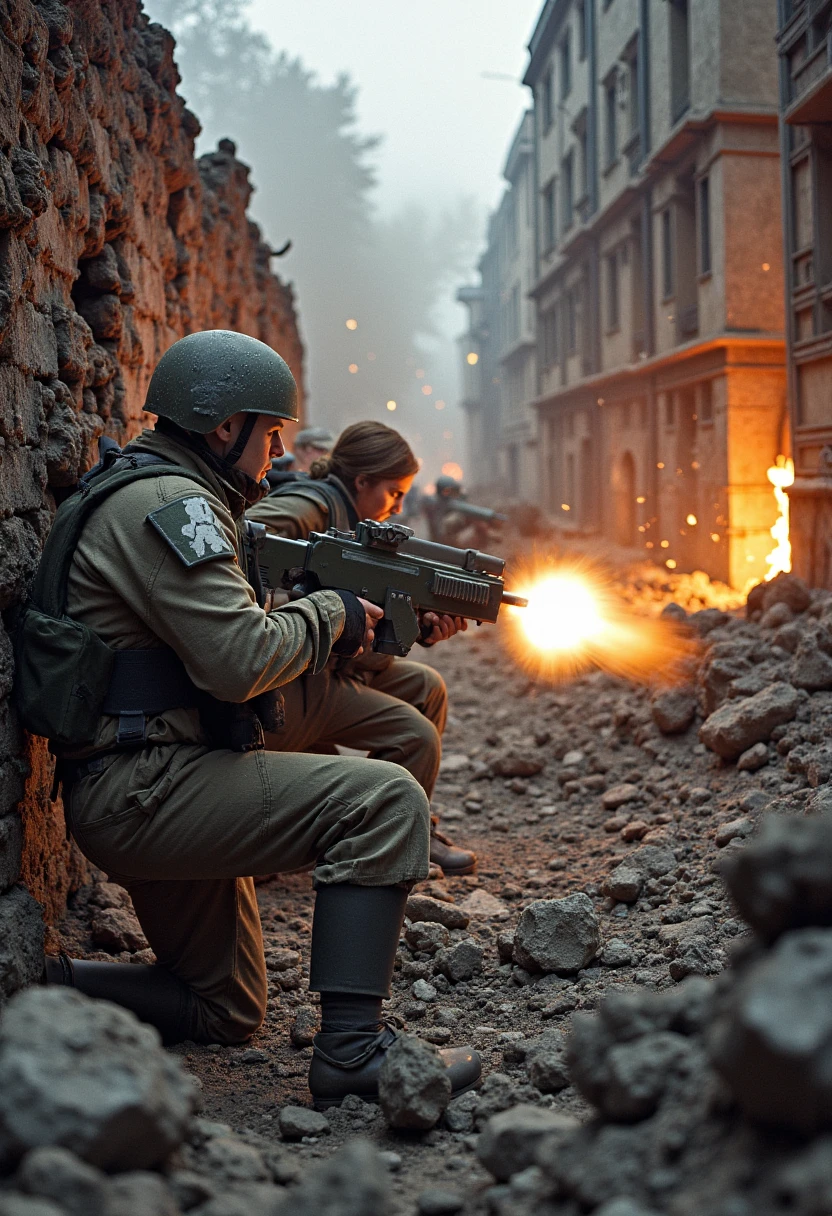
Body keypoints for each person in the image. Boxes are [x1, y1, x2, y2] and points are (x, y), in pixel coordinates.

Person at [26, 330, 479, 1106]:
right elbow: (237, 660)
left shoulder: (162, 492)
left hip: (146, 777)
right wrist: (333, 616)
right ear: (221, 425)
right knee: (386, 799)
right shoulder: (174, 505)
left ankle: (40, 988)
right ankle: (352, 1053)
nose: (274, 458)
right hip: (149, 787)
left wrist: (359, 626)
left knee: (224, 1007)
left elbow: (228, 641)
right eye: (268, 434)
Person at [247, 422, 478, 877]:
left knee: (426, 688)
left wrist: (422, 627)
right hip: (282, 678)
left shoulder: (356, 523)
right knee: (414, 737)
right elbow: (244, 543)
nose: (396, 507)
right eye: (392, 493)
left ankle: (406, 822)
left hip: (322, 664)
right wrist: (308, 605)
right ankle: (386, 843)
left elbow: (365, 627)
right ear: (362, 481)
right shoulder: (313, 505)